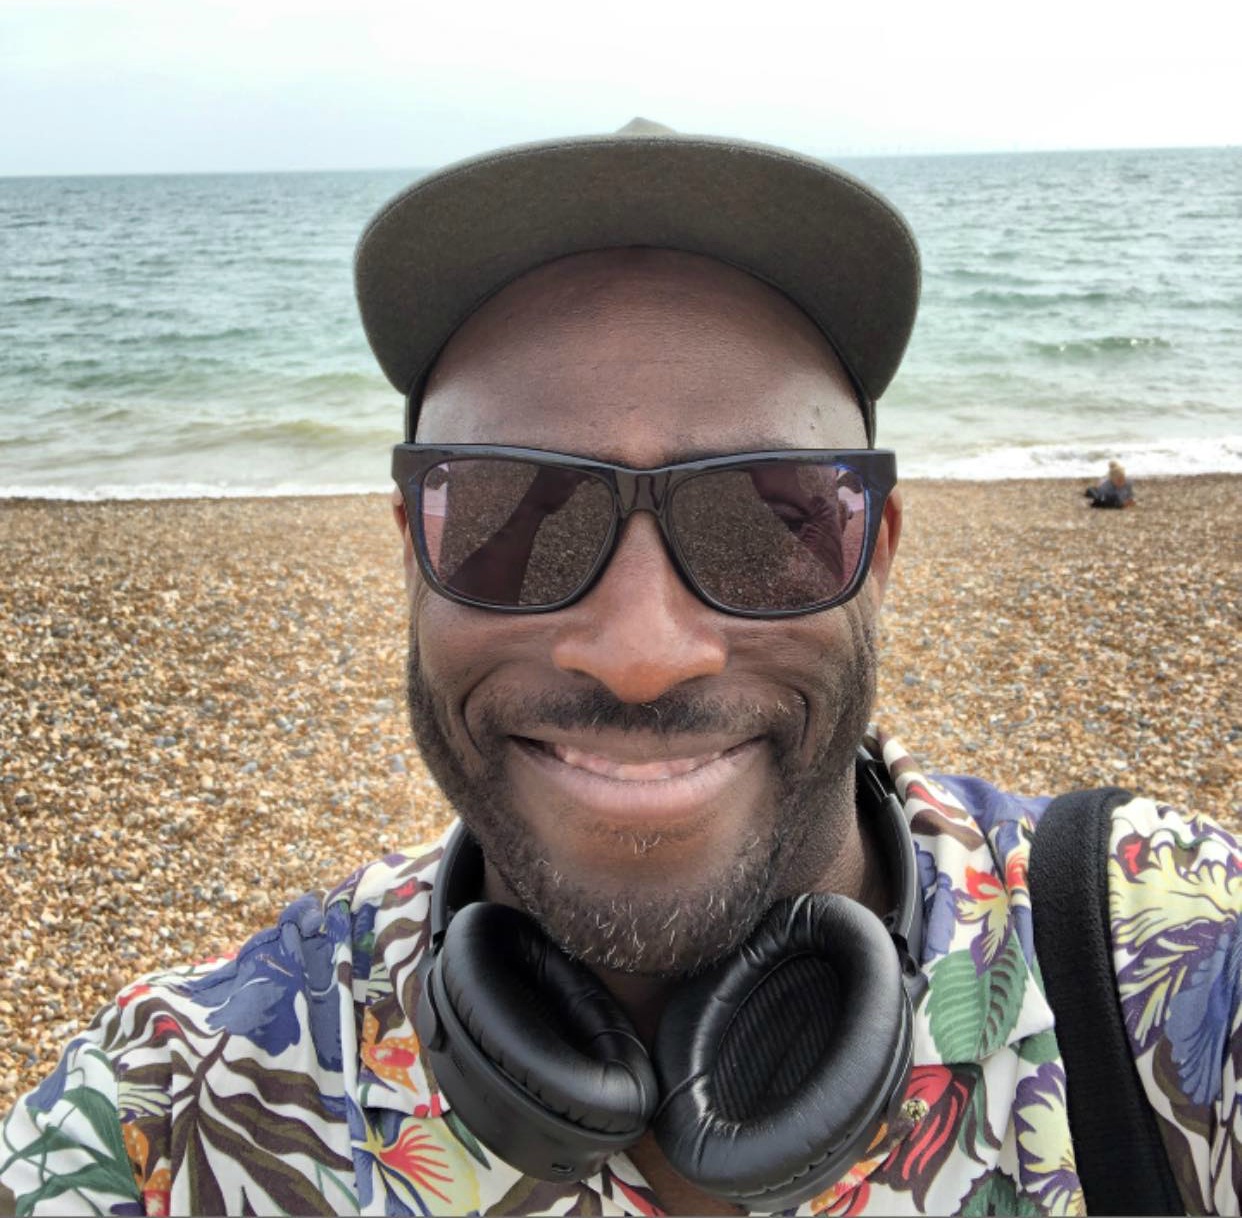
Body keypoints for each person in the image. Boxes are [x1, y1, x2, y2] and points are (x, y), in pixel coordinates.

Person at [1, 122, 1237, 1217]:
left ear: (878, 551)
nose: (643, 654)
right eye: (509, 510)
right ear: (412, 551)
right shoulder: (178, 1112)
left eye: (768, 518)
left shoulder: (1161, 974)